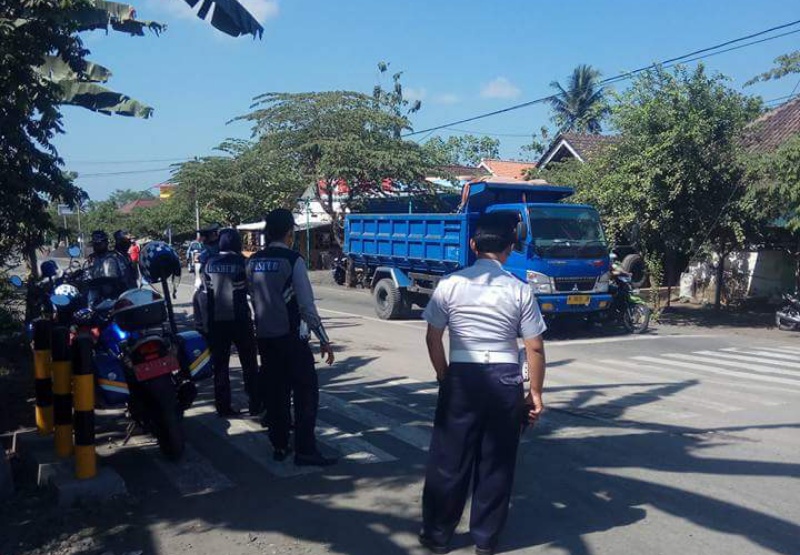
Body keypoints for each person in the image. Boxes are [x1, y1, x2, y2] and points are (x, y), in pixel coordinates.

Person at [418, 212, 547, 555]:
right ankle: (486, 540)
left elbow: (433, 338)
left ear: (473, 245)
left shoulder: (450, 285)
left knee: (448, 460)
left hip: (461, 376)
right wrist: (534, 393)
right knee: (496, 462)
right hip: (504, 382)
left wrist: (445, 375)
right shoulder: (520, 290)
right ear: (509, 248)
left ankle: (437, 535)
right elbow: (534, 346)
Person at [247, 208, 336, 467]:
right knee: (306, 393)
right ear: (289, 232)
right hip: (291, 340)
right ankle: (305, 450)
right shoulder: (293, 260)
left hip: (264, 338)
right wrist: (324, 338)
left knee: (276, 394)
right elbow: (307, 307)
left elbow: (253, 296)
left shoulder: (252, 261)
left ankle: (279, 445)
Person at [199, 228, 261, 417]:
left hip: (216, 322)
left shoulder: (208, 264)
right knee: (249, 364)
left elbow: (203, 293)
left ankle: (223, 406)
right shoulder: (243, 263)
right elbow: (253, 292)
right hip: (240, 320)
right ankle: (255, 403)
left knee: (220, 366)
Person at [85, 230, 136, 303]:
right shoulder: (92, 259)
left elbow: (124, 276)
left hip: (117, 293)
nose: (98, 246)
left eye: (100, 243)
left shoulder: (115, 256)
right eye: (96, 244)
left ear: (106, 242)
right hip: (99, 295)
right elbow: (88, 277)